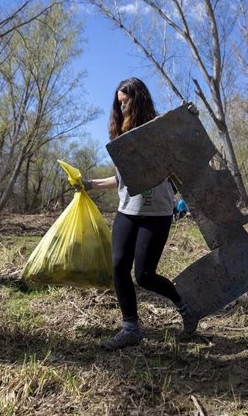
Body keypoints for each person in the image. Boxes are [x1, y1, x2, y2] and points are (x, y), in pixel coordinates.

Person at [80, 77, 199, 351]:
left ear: (139, 99)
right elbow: (121, 179)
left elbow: (187, 147)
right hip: (127, 211)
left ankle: (185, 306)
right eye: (118, 104)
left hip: (157, 212)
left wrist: (190, 118)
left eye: (126, 102)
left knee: (144, 274)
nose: (121, 108)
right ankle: (130, 328)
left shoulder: (160, 128)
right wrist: (91, 185)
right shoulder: (122, 138)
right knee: (118, 265)